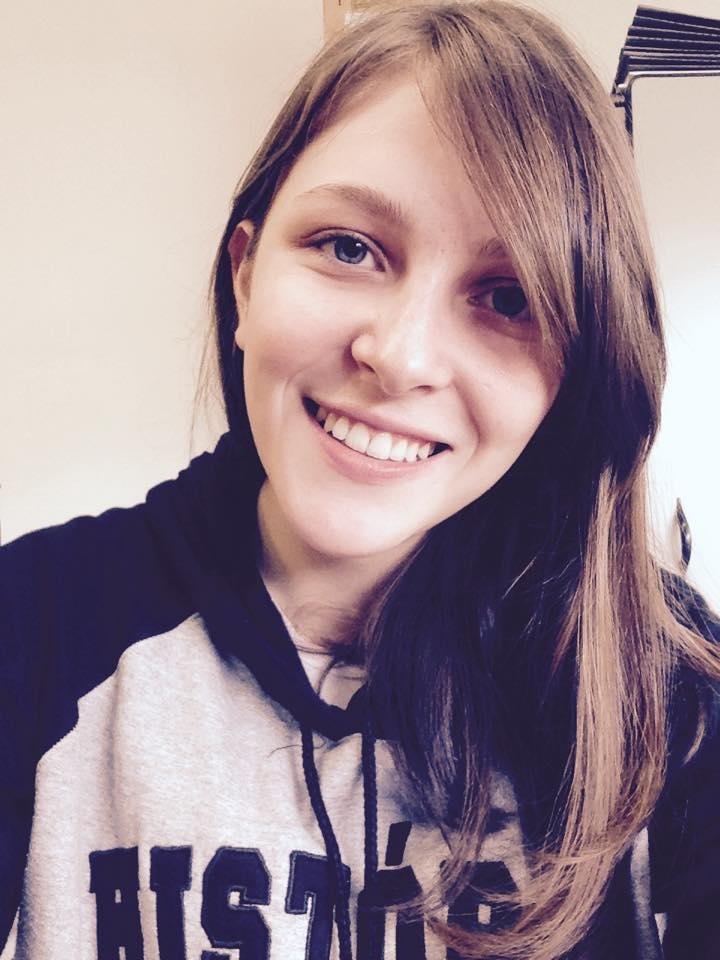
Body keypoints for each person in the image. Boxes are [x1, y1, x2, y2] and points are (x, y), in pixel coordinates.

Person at [1, 2, 719, 958]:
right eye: (349, 248)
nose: (401, 356)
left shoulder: (671, 682)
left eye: (508, 298)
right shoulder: (33, 624)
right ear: (246, 275)